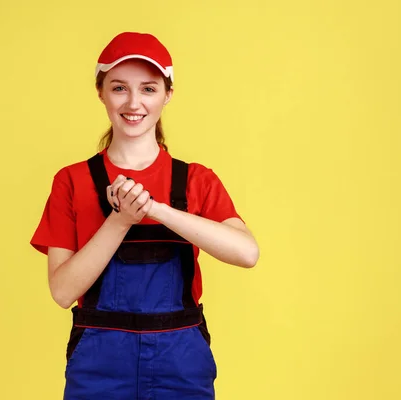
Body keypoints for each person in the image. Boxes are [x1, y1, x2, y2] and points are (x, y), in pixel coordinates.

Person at [30, 31, 259, 400]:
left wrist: (156, 210)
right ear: (100, 92)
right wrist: (119, 221)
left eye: (149, 89)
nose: (134, 102)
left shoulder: (196, 180)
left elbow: (247, 253)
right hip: (98, 367)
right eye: (119, 87)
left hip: (181, 365)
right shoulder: (72, 181)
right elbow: (62, 291)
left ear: (167, 94)